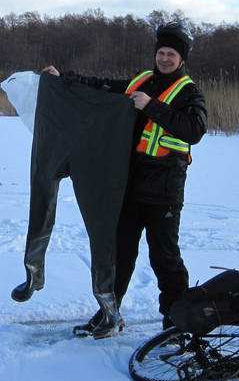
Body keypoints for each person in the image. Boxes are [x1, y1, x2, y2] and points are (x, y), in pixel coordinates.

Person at [43, 21, 207, 336]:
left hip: (164, 194)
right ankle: (109, 315)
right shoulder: (142, 79)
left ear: (182, 58)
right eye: (161, 52)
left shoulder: (189, 92)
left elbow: (195, 130)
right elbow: (104, 87)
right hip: (130, 188)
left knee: (165, 260)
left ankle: (176, 323)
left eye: (171, 53)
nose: (165, 58)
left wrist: (152, 106)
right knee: (118, 256)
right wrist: (64, 79)